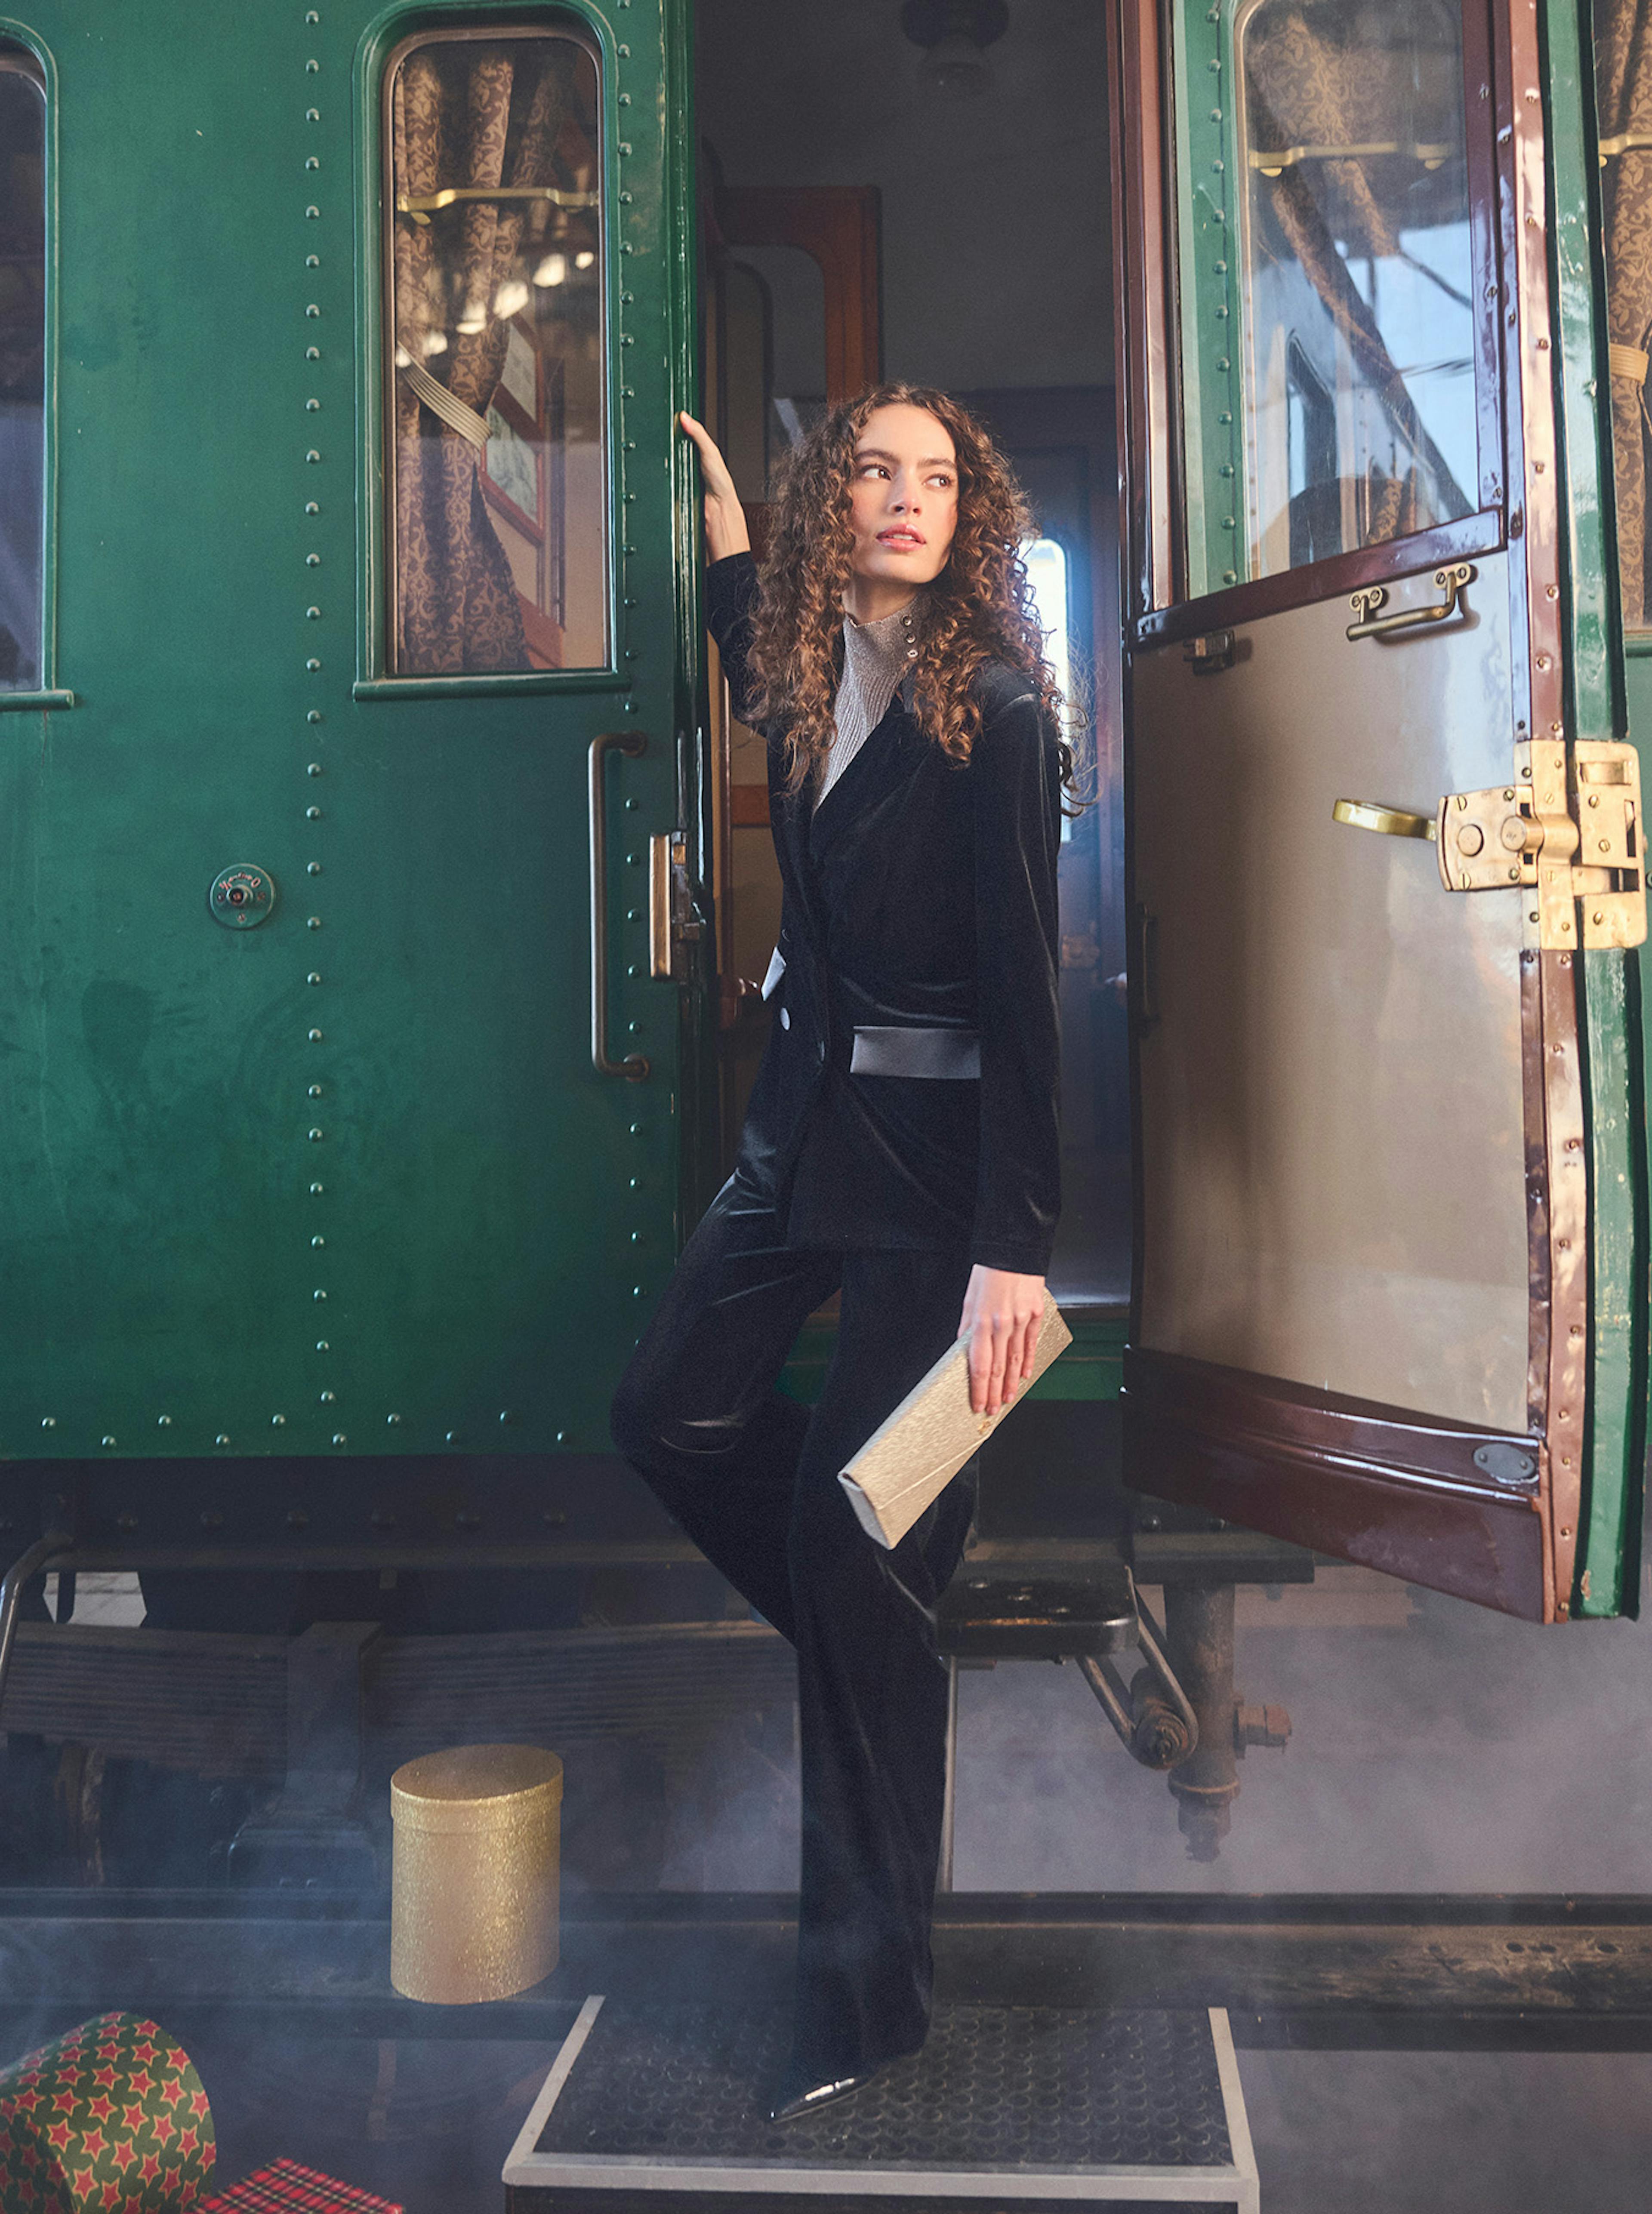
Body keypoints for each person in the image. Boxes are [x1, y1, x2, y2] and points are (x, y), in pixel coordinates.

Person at [611, 383, 1072, 2123]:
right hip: (793, 1141)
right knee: (664, 1414)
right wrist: (727, 518)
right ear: (840, 507)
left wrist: (1015, 1255)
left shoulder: (1004, 715)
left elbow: (1031, 1007)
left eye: (938, 478)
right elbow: (747, 636)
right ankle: (860, 1621)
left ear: (971, 512)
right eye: (875, 473)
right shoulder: (804, 671)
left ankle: (865, 2015)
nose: (905, 501)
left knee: (854, 1523)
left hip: (936, 1188)